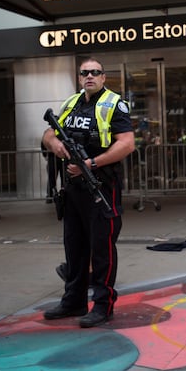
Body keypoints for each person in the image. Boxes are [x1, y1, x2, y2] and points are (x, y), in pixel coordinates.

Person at [41, 57, 135, 327]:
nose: (90, 76)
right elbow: (48, 133)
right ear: (79, 77)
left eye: (95, 72)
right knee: (75, 247)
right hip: (73, 190)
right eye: (85, 73)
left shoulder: (114, 104)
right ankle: (74, 301)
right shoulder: (71, 103)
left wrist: (91, 164)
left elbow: (127, 144)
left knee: (101, 250)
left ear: (104, 77)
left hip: (101, 185)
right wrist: (55, 143)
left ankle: (103, 305)